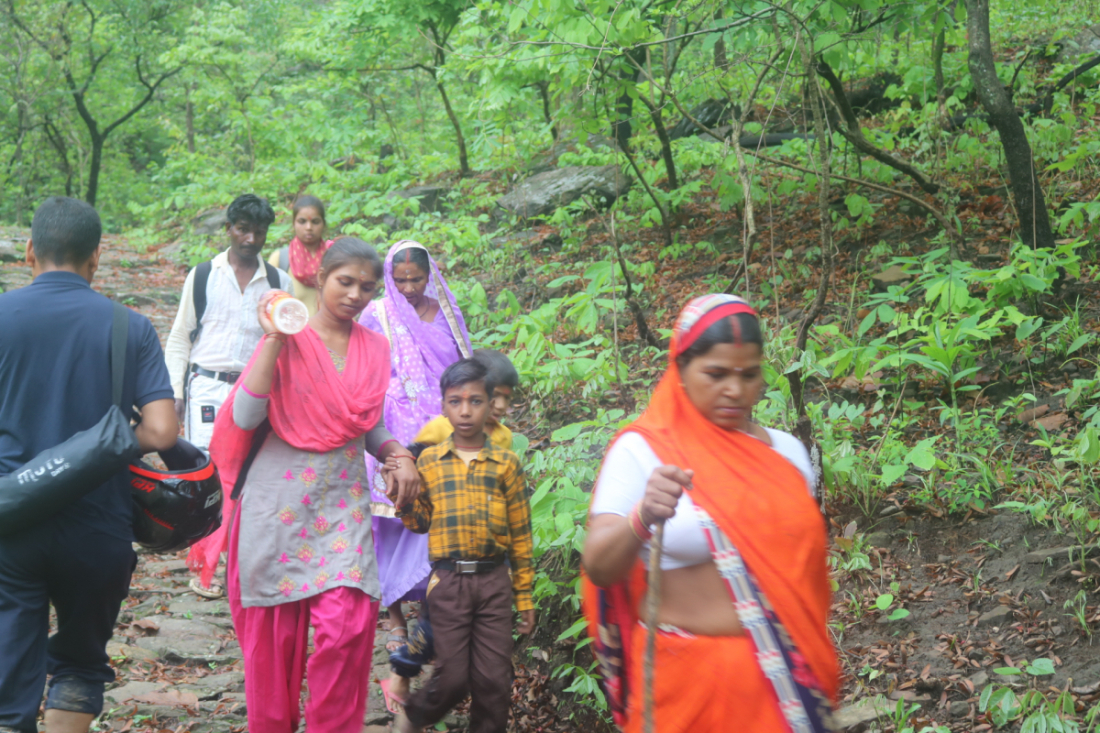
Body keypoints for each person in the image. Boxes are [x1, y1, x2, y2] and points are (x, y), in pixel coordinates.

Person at [580, 294, 838, 733]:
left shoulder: (789, 455)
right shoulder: (641, 452)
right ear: (680, 370)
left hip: (785, 681)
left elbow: (801, 574)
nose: (735, 390)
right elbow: (599, 567)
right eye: (715, 374)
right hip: (684, 683)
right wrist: (642, 517)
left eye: (749, 374)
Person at [203, 237, 420, 733]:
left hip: (341, 507)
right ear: (320, 278)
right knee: (273, 647)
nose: (356, 295)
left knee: (347, 630)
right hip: (275, 507)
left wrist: (398, 454)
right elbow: (245, 413)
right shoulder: (285, 335)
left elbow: (370, 425)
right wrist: (275, 339)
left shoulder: (374, 347)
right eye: (345, 282)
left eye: (367, 287)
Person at [0, 197, 178, 733]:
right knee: (80, 662)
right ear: (95, 258)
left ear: (30, 251)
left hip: (11, 521)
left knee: (8, 671)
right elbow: (161, 431)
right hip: (97, 523)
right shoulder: (130, 327)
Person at [392, 358, 535, 733]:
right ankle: (410, 717)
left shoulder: (506, 463)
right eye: (456, 402)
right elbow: (419, 522)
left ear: (489, 405)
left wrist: (524, 597)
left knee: (493, 683)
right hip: (449, 580)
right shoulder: (430, 461)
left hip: (493, 581)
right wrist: (403, 498)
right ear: (443, 406)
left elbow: (520, 534)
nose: (466, 410)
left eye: (476, 401)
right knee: (452, 677)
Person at [358, 240, 472, 670]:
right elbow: (364, 371)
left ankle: (431, 614)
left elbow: (464, 369)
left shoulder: (446, 312)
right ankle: (394, 621)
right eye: (400, 279)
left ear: (431, 276)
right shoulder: (377, 314)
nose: (408, 288)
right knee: (390, 525)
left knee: (434, 525)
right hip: (390, 436)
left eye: (416, 279)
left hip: (440, 436)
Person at [164, 194, 292, 453]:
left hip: (253, 392)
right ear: (228, 228)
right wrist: (175, 390)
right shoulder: (203, 276)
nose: (251, 239)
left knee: (247, 464)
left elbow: (287, 346)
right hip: (205, 387)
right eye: (243, 230)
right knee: (205, 463)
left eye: (259, 232)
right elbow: (180, 337)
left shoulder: (279, 283)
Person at [415, 348, 518, 450]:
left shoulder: (504, 436)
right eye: (495, 395)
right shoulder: (439, 429)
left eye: (507, 398)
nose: (501, 405)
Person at [269, 195, 333, 316]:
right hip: (290, 332)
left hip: (326, 333)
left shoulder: (334, 259)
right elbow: (269, 304)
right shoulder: (280, 260)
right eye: (302, 222)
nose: (309, 227)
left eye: (315, 222)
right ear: (294, 224)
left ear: (323, 224)